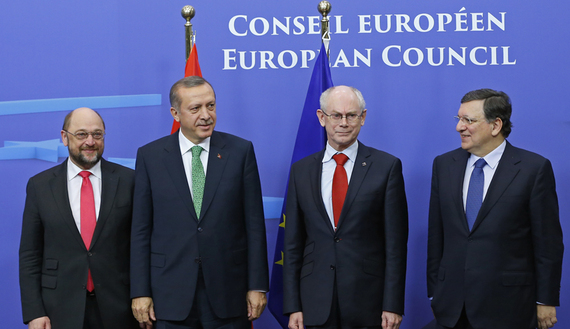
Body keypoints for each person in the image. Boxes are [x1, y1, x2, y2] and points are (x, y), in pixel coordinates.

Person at [130, 76, 269, 329]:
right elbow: (140, 230)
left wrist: (257, 285)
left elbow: (254, 225)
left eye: (211, 106)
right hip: (169, 295)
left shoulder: (240, 152)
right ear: (175, 113)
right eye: (195, 108)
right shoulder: (150, 157)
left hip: (228, 292)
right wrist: (140, 291)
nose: (206, 115)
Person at [427, 89, 564, 329]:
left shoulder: (533, 169)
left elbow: (547, 244)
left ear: (495, 125)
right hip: (451, 308)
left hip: (508, 309)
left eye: (468, 120)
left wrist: (545, 299)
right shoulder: (443, 165)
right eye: (458, 119)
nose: (459, 127)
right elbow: (436, 236)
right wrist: (435, 293)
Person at [283, 85, 409, 329]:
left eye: (351, 115)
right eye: (336, 115)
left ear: (362, 118)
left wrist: (392, 304)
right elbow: (293, 243)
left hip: (368, 302)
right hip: (314, 302)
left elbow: (395, 245)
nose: (343, 123)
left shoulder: (386, 167)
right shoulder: (301, 171)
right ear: (322, 118)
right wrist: (293, 305)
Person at [19, 107, 137, 329]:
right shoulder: (40, 186)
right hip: (60, 309)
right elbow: (30, 255)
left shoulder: (129, 180)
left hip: (120, 307)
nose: (90, 142)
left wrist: (143, 296)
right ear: (64, 137)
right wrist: (34, 312)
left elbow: (142, 245)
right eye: (81, 134)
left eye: (97, 134)